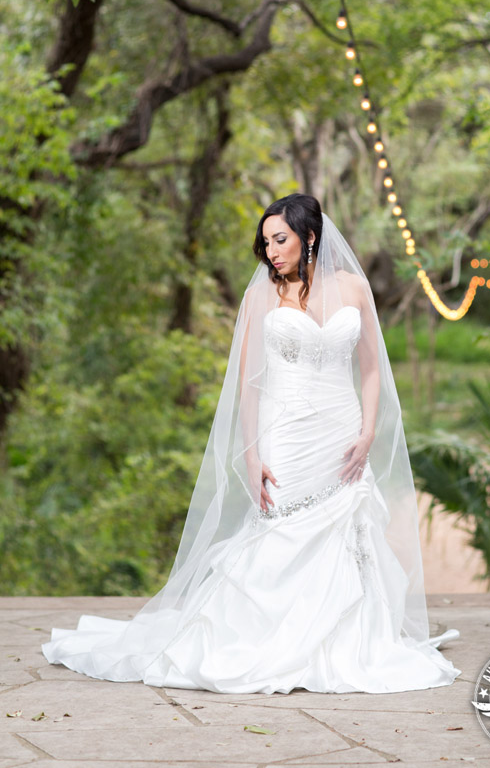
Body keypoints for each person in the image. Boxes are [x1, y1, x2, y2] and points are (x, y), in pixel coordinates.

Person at [42, 193, 460, 694]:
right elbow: (249, 383)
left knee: (347, 529)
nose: (271, 252)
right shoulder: (264, 293)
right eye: (266, 242)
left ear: (309, 237)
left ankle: (346, 639)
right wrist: (253, 451)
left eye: (280, 239)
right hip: (286, 434)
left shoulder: (353, 287)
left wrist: (368, 431)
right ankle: (264, 636)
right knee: (280, 528)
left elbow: (371, 368)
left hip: (342, 431)